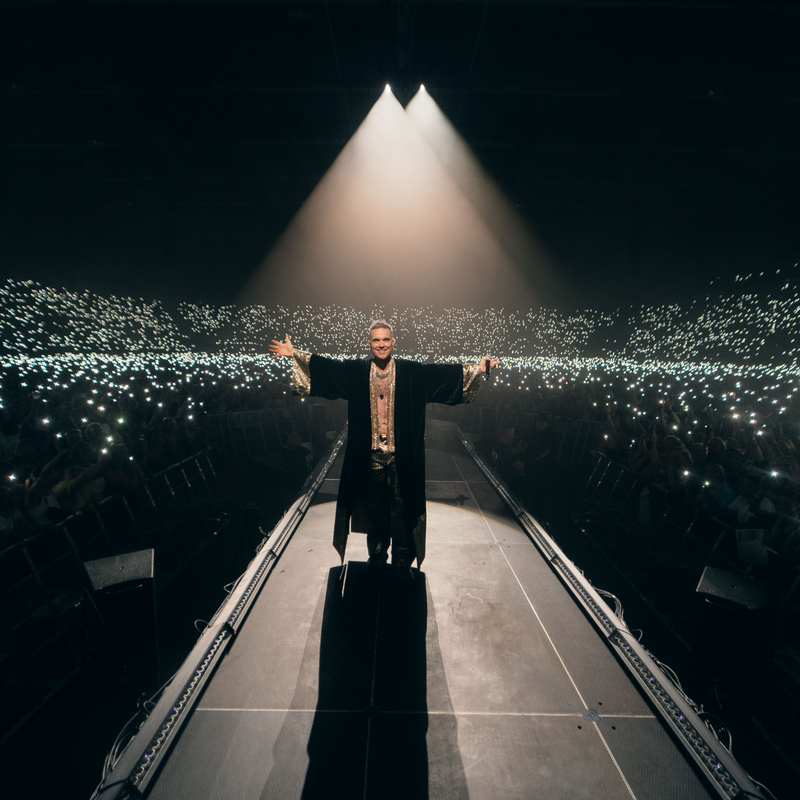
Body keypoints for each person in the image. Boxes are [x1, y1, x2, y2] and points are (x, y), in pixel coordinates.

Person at [269, 319, 496, 579]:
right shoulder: (357, 371)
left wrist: (478, 368)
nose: (381, 345)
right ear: (369, 343)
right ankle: (377, 552)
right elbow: (327, 369)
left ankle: (402, 556)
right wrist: (294, 354)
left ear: (393, 342)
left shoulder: (412, 373)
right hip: (372, 455)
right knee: (374, 506)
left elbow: (444, 376)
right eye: (376, 340)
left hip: (401, 456)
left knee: (402, 506)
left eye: (385, 340)